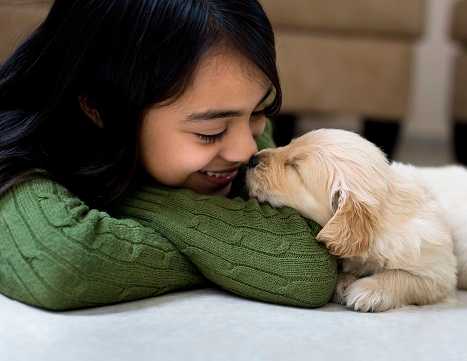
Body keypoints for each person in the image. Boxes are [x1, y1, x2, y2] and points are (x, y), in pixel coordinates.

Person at [0, 0, 336, 311]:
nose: (248, 150)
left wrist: (132, 197)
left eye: (261, 110)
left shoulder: (237, 119)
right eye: (210, 133)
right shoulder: (20, 151)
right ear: (99, 108)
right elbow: (64, 262)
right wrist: (222, 260)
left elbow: (306, 265)